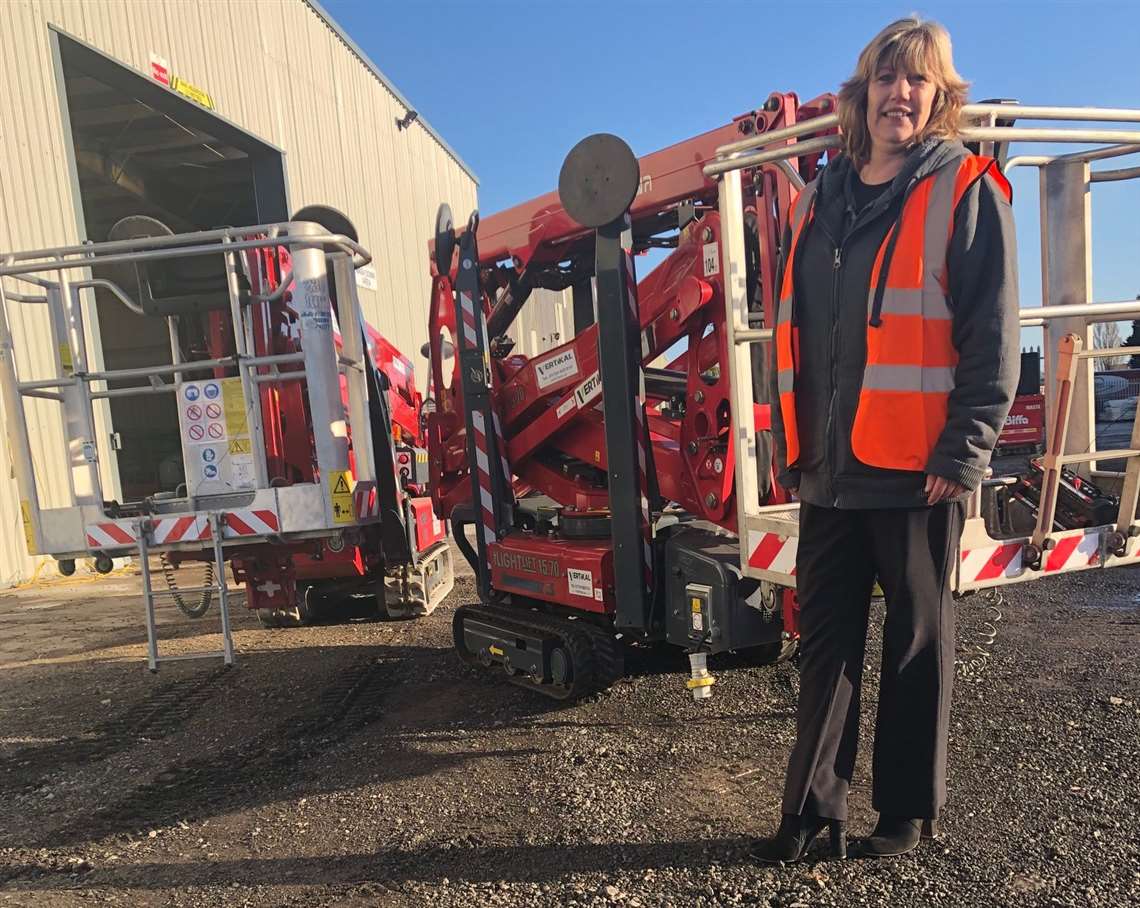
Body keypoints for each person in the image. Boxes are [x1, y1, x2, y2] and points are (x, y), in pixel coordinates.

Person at [755, 16, 1020, 861]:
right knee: (824, 647)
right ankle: (812, 814)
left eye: (918, 82)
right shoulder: (819, 200)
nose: (899, 94)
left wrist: (964, 451)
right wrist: (786, 442)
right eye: (886, 78)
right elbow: (793, 334)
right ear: (862, 91)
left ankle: (904, 815)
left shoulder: (965, 189)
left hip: (916, 471)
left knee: (915, 643)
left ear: (940, 98)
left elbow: (991, 334)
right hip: (828, 469)